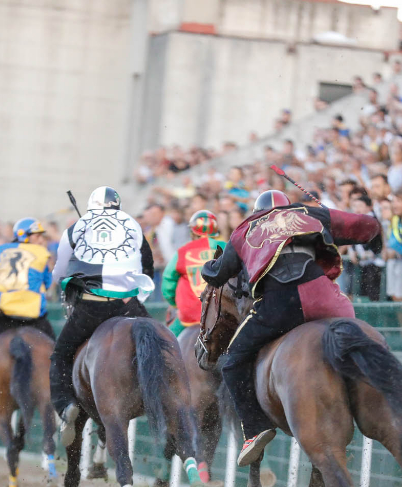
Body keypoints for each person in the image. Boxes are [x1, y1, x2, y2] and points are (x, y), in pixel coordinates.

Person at [201, 189, 381, 467]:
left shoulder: (245, 229)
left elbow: (218, 274)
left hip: (280, 305)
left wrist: (209, 264)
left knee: (233, 362)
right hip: (329, 301)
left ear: (258, 212)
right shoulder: (308, 212)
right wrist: (338, 219)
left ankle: (255, 430)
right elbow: (368, 227)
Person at [49, 187, 156, 445]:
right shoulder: (133, 224)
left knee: (61, 355)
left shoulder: (76, 227)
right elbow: (148, 267)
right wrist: (135, 298)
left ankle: (66, 407)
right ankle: (164, 398)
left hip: (89, 307)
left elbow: (59, 271)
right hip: (127, 305)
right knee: (157, 344)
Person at [0, 218, 55, 418]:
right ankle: (63, 401)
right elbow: (47, 283)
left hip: (3, 318)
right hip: (34, 320)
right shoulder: (42, 254)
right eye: (38, 236)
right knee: (59, 357)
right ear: (25, 236)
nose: (41, 240)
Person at [162, 210, 226, 336]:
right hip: (221, 313)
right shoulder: (225, 247)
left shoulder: (183, 251)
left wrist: (173, 303)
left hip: (190, 315)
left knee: (166, 344)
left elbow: (168, 279)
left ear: (193, 231)